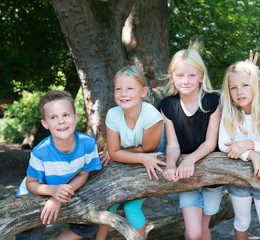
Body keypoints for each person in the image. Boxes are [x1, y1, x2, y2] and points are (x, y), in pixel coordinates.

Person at [16, 90, 102, 240]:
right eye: (53, 117)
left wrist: (57, 198)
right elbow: (31, 183)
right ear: (45, 124)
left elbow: (83, 174)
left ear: (75, 117)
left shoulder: (88, 144)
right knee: (29, 236)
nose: (61, 121)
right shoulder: (40, 152)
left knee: (88, 223)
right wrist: (52, 191)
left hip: (62, 191)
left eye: (65, 115)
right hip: (34, 194)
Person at [158, 48, 223, 240]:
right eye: (180, 75)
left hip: (213, 176)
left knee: (203, 230)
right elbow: (173, 145)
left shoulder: (213, 101)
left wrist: (191, 160)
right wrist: (171, 164)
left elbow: (211, 142)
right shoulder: (167, 105)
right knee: (194, 233)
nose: (185, 80)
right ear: (172, 77)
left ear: (201, 77)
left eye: (192, 75)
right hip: (186, 177)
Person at [96, 65, 166, 240]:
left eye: (129, 88)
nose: (123, 93)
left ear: (143, 92)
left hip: (153, 162)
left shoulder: (151, 116)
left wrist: (118, 152)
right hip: (132, 161)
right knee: (108, 204)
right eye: (118, 89)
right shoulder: (113, 114)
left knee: (131, 208)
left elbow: (148, 149)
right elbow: (113, 152)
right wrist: (116, 152)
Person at [218, 61, 260, 240]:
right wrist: (252, 155)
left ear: (256, 84)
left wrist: (247, 144)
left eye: (245, 85)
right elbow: (223, 144)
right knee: (242, 222)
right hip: (239, 178)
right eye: (234, 88)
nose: (239, 92)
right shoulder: (229, 110)